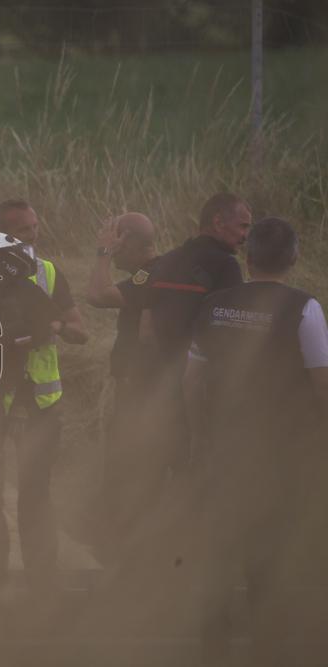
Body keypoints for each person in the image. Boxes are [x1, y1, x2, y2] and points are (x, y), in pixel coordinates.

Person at [184, 217, 328, 666]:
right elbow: (322, 389)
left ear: (246, 257)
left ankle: (213, 656)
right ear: (294, 258)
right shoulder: (304, 309)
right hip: (279, 462)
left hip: (224, 456)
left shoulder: (216, 306)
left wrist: (199, 439)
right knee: (269, 566)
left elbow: (191, 381)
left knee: (218, 565)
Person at [0, 199, 87, 594]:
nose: (34, 235)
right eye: (24, 230)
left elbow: (81, 332)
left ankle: (42, 583)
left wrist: (56, 324)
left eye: (35, 227)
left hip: (41, 403)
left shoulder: (47, 272)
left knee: (35, 492)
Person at [140, 193, 250, 478]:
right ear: (217, 222)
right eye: (242, 226)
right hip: (201, 388)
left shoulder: (167, 260)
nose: (245, 236)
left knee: (161, 467)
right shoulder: (226, 267)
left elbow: (146, 327)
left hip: (160, 384)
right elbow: (230, 335)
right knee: (201, 471)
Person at [84, 212, 159, 560]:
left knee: (127, 468)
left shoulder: (150, 274)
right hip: (141, 387)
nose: (114, 251)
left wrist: (102, 254)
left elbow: (97, 295)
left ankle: (125, 548)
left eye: (117, 242)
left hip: (140, 391)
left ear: (127, 242)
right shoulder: (148, 274)